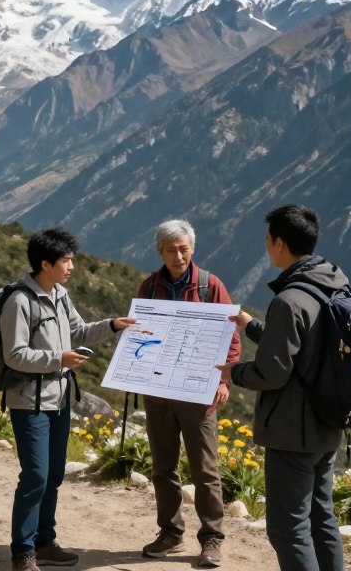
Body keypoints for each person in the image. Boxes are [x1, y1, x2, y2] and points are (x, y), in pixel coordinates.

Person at [218, 205, 347, 571]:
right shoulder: (333, 283)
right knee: (322, 519)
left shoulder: (289, 300)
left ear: (278, 243)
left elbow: (272, 373)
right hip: (327, 423)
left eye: (267, 240)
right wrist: (252, 326)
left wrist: (233, 371)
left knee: (289, 529)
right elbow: (305, 344)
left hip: (292, 433)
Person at [0, 228, 135, 571]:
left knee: (55, 474)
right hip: (29, 403)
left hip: (59, 400)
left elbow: (79, 332)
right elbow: (14, 355)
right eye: (66, 260)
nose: (72, 265)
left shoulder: (60, 294)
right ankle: (23, 551)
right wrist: (58, 359)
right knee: (35, 476)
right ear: (45, 263)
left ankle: (44, 541)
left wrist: (113, 325)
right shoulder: (19, 301)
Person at [138, 220, 240, 568]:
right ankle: (170, 532)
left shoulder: (211, 286)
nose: (178, 255)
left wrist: (223, 381)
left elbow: (232, 339)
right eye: (171, 249)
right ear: (160, 252)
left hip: (198, 396)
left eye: (183, 248)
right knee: (163, 468)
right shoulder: (149, 287)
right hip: (159, 395)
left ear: (192, 249)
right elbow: (139, 334)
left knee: (205, 470)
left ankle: (212, 538)